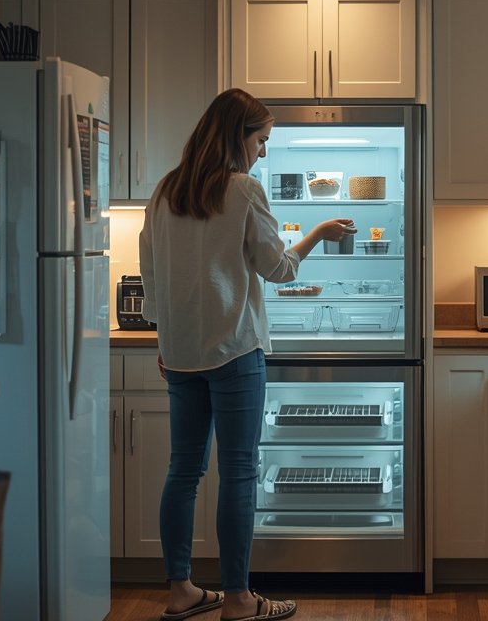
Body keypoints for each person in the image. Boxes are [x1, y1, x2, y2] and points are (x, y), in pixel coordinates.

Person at [139, 88, 355, 621]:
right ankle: (238, 599)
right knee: (238, 471)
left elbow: (149, 278)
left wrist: (168, 340)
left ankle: (180, 591)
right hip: (235, 350)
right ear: (239, 136)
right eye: (261, 140)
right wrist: (317, 235)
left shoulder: (164, 190)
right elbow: (278, 269)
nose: (262, 151)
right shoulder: (243, 190)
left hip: (181, 354)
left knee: (182, 471)